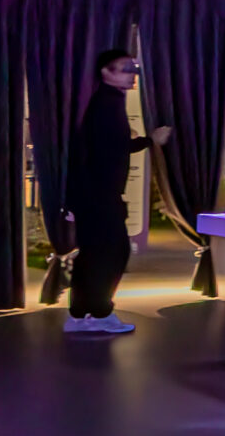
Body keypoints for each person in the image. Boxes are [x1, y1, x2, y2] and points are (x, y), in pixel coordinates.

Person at [64, 48, 171, 337]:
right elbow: (111, 150)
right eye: (125, 69)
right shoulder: (107, 104)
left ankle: (80, 315)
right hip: (99, 196)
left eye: (134, 69)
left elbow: (108, 148)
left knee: (94, 255)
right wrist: (151, 140)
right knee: (112, 254)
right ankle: (99, 313)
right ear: (106, 72)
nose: (132, 75)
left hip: (95, 195)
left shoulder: (106, 102)